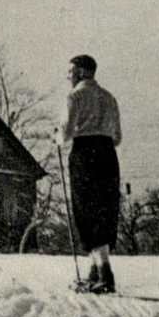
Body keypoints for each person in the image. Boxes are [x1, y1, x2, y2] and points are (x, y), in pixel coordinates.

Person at [59, 54, 122, 294]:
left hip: (84, 154)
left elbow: (64, 134)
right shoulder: (109, 98)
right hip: (107, 154)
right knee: (104, 210)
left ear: (82, 72)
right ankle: (96, 271)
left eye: (71, 71)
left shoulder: (74, 97)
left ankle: (105, 272)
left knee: (86, 210)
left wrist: (55, 136)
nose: (68, 76)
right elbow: (118, 137)